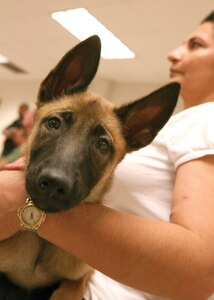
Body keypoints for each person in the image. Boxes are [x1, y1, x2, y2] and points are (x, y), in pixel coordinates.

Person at [0, 10, 214, 300]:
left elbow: (200, 270)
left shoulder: (208, 120)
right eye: (54, 123)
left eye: (196, 45)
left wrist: (24, 206)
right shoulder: (182, 123)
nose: (173, 54)